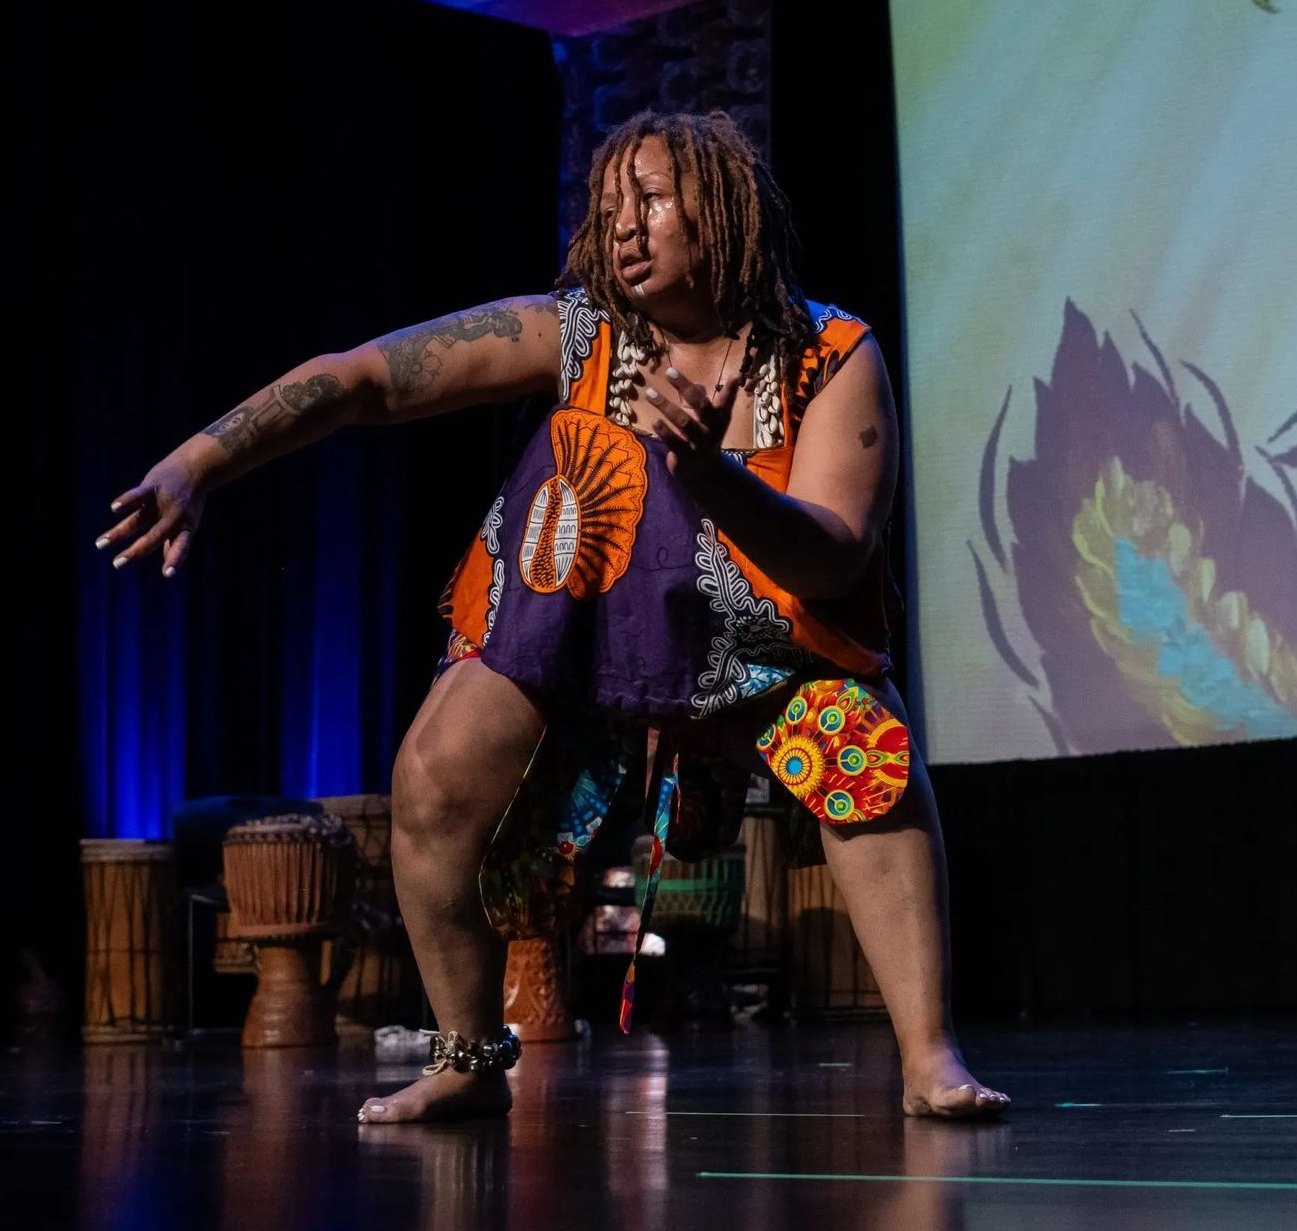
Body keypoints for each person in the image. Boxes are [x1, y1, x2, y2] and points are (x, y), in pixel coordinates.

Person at [99, 110, 1009, 1123]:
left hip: (767, 649)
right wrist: (203, 459)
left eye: (652, 199)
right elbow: (365, 379)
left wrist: (708, 475)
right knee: (435, 776)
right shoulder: (577, 338)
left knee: (867, 759)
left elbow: (835, 554)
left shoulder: (829, 355)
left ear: (727, 208)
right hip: (590, 636)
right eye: (610, 206)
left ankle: (929, 1058)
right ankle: (466, 1055)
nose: (624, 226)